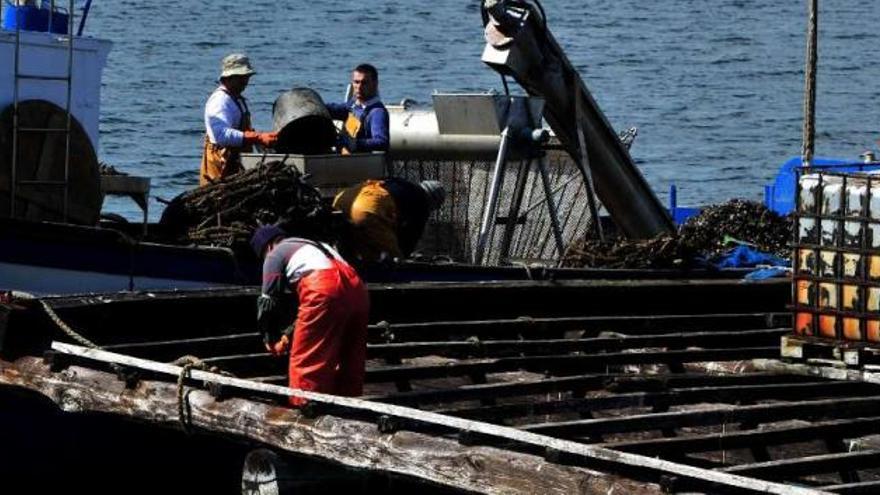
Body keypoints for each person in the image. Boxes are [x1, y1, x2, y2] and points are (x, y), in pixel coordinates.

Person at [251, 225, 369, 406]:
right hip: (358, 290)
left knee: (306, 360)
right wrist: (290, 333)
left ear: (267, 247)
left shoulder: (274, 254)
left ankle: (305, 410)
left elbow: (268, 302)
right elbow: (310, 312)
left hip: (323, 287)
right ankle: (348, 405)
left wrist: (268, 335)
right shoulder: (317, 245)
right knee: (349, 356)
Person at [200, 53, 278, 186]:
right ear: (229, 77)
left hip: (235, 162)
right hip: (222, 165)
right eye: (241, 78)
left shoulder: (236, 98)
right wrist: (257, 137)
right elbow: (221, 135)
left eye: (247, 77)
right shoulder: (220, 101)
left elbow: (242, 131)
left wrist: (264, 140)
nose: (246, 82)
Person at [333, 178, 445, 264]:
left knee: (357, 251)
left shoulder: (401, 184)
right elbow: (410, 237)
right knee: (395, 259)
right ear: (433, 202)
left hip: (344, 200)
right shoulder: (422, 201)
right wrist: (401, 256)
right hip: (366, 208)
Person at [326, 64, 390, 154]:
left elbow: (382, 142)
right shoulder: (353, 105)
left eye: (364, 83)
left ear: (375, 84)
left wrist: (355, 143)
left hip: (363, 162)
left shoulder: (377, 112)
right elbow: (336, 110)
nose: (359, 87)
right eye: (356, 82)